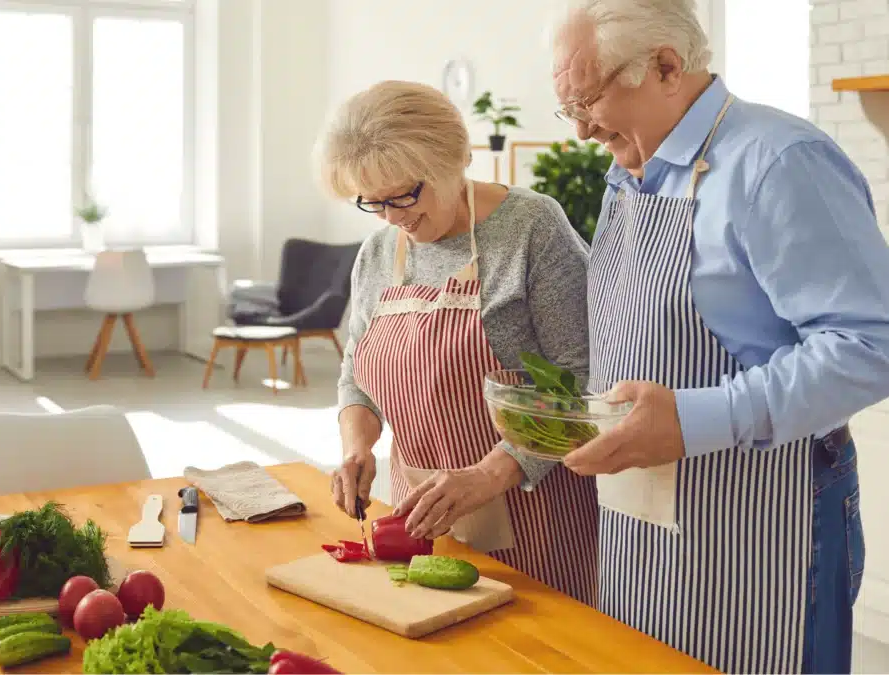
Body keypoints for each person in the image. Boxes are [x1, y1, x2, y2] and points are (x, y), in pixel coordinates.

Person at [550, 0, 889, 672]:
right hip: (640, 518)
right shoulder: (630, 170)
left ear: (667, 67)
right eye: (568, 108)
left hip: (769, 516)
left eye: (588, 100)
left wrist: (692, 419)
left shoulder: (780, 161)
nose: (582, 129)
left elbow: (869, 347)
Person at [313, 79, 600, 605]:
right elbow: (358, 376)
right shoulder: (378, 253)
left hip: (533, 518)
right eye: (372, 204)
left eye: (404, 195)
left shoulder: (532, 228)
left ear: (454, 160)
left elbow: (580, 383)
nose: (393, 218)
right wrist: (357, 447)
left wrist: (487, 476)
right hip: (420, 521)